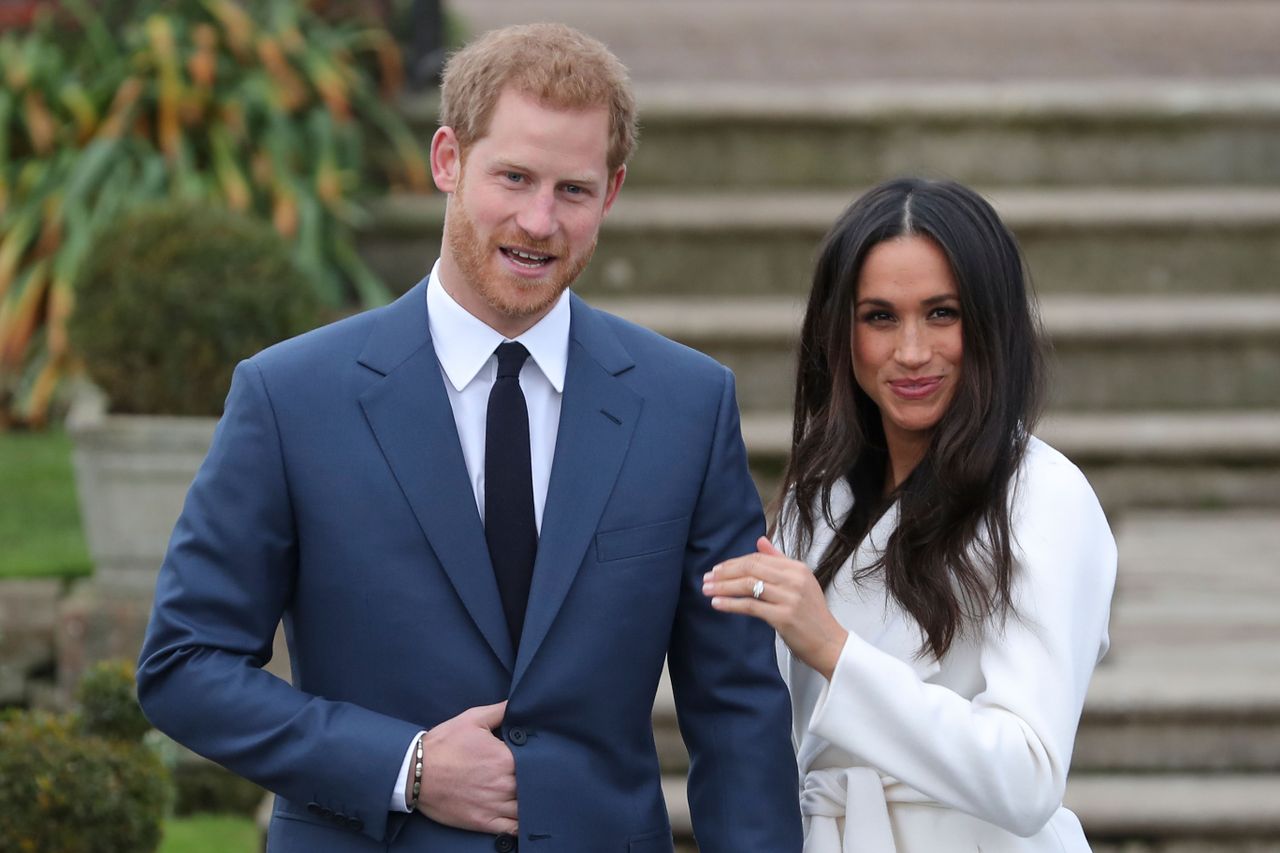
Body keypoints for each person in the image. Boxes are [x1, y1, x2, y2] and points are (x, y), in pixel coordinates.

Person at [136, 23, 802, 853]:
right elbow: (184, 665)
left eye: (573, 190)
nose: (539, 219)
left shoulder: (688, 406)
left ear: (614, 192)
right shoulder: (290, 397)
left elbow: (737, 706)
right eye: (514, 177)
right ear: (448, 159)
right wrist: (405, 764)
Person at [703, 178, 1117, 851]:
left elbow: (1028, 774)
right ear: (842, 330)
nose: (913, 351)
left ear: (989, 320)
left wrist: (836, 651)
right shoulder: (817, 502)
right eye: (880, 317)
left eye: (942, 313)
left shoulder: (1042, 494)